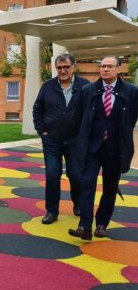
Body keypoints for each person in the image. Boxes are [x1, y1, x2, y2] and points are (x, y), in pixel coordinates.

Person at [69, 56, 138, 240]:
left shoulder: (131, 92)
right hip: (92, 147)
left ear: (118, 69)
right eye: (103, 66)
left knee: (110, 187)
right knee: (86, 184)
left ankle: (101, 224)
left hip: (115, 149)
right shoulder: (88, 91)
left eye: (110, 66)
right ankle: (84, 226)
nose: (105, 69)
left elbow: (131, 119)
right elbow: (78, 118)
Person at [32, 53, 90, 224]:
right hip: (52, 140)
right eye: (59, 68)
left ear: (74, 67)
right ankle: (51, 211)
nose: (62, 70)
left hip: (75, 141)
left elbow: (91, 111)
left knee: (76, 175)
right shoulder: (48, 86)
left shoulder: (85, 86)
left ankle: (78, 205)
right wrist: (41, 130)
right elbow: (37, 109)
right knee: (52, 175)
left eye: (66, 67)